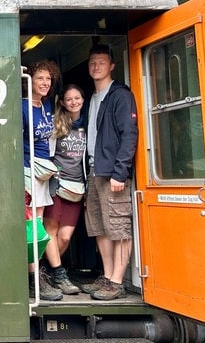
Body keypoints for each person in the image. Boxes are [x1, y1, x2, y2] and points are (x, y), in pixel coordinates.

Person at [80, 44, 138, 301]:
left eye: (101, 62)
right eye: (93, 62)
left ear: (112, 66)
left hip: (112, 173)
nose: (96, 66)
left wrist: (120, 172)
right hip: (94, 171)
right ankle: (107, 275)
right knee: (100, 227)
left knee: (119, 227)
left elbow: (130, 135)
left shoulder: (120, 96)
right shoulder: (92, 97)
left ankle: (117, 280)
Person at [22, 59, 62, 301]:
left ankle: (39, 276)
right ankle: (33, 278)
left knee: (37, 226)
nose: (45, 83)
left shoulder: (47, 106)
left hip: (43, 172)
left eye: (48, 79)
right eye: (40, 78)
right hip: (28, 169)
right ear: (29, 82)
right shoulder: (22, 106)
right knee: (32, 228)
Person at [42, 84, 87, 296]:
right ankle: (59, 274)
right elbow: (47, 153)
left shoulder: (89, 123)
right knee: (50, 230)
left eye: (77, 98)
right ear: (62, 102)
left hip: (78, 186)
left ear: (83, 100)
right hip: (57, 182)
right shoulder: (56, 124)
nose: (73, 102)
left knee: (66, 236)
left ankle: (48, 269)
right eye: (69, 99)